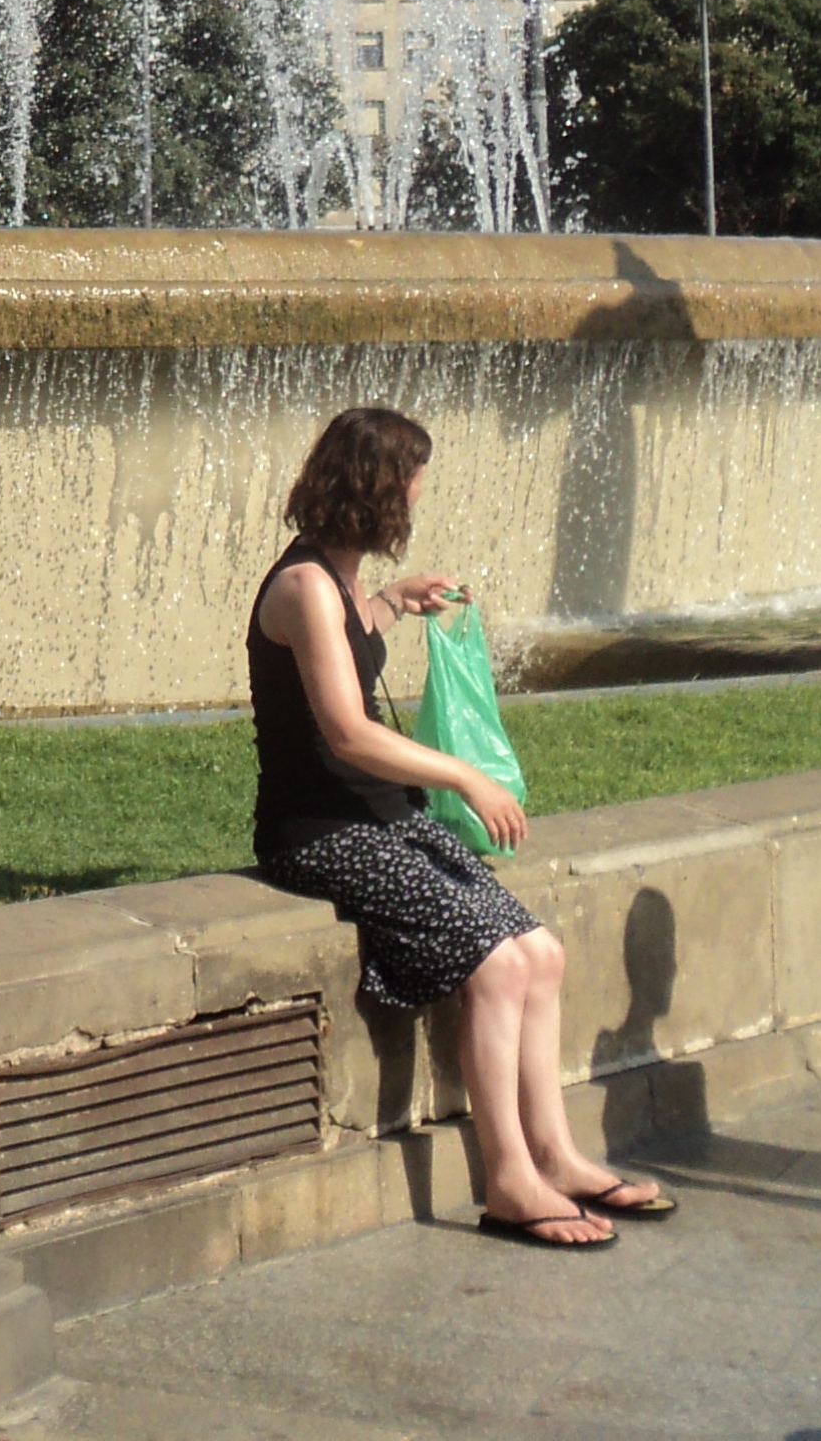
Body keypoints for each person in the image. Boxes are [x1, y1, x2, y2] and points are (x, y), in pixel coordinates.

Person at [247, 406, 671, 1251]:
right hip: (322, 833)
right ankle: (509, 1179)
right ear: (376, 490)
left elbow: (348, 641)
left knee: (541, 953)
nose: (417, 498)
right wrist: (466, 776)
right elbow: (347, 732)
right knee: (497, 962)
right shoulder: (302, 586)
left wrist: (393, 603)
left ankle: (556, 1155)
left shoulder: (338, 580)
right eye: (412, 482)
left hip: (383, 819)